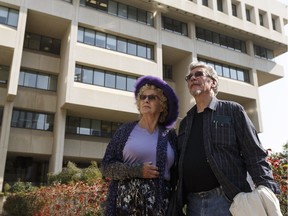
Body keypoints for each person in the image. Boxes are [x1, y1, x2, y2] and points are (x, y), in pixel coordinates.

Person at [175, 61, 280, 216]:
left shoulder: (232, 110)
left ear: (213, 82)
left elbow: (254, 152)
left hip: (228, 200)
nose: (192, 78)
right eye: (189, 77)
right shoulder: (185, 122)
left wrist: (267, 188)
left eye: (198, 74)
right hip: (193, 204)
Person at [100, 75, 179, 216]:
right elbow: (106, 166)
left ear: (162, 106)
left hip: (162, 206)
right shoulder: (125, 131)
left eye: (152, 97)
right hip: (127, 206)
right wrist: (137, 170)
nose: (146, 100)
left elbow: (177, 174)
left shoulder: (170, 135)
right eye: (143, 97)